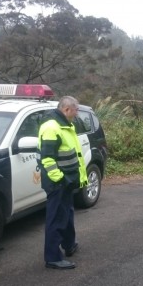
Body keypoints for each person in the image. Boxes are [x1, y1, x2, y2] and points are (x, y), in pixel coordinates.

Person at [38, 96, 88, 269]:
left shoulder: (67, 125)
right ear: (67, 109)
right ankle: (52, 258)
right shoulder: (51, 128)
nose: (77, 113)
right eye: (76, 110)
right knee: (57, 218)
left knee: (67, 214)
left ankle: (69, 244)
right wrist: (60, 179)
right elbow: (47, 159)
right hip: (58, 182)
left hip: (67, 181)